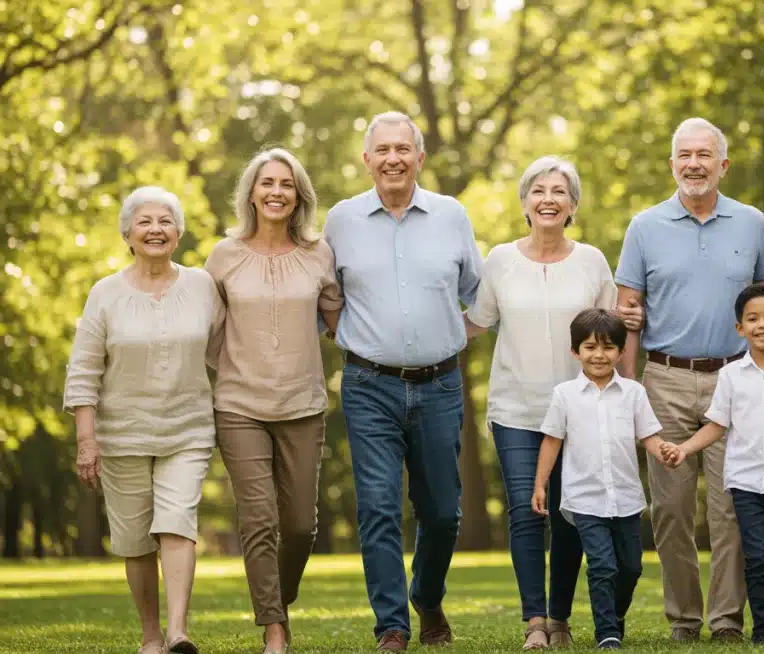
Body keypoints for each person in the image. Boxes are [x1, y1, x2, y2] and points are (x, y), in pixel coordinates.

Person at [323, 111, 485, 651]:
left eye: (403, 149)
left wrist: (448, 337)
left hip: (440, 386)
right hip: (369, 385)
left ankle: (427, 596)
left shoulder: (451, 215)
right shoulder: (341, 221)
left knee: (443, 511)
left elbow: (475, 291)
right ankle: (391, 624)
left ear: (420, 157)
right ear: (366, 159)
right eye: (382, 150)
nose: (393, 158)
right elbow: (327, 295)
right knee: (377, 505)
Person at [614, 117, 764, 643]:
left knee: (732, 507)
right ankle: (684, 620)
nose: (694, 164)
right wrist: (628, 385)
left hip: (735, 380)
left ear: (723, 164)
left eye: (705, 155)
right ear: (672, 164)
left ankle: (727, 620)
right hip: (664, 380)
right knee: (671, 510)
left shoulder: (751, 223)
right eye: (684, 155)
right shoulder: (645, 226)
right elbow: (628, 311)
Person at [465, 156, 620, 650]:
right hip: (516, 409)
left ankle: (560, 618)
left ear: (572, 204)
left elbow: (611, 331)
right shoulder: (500, 261)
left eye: (559, 191)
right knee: (524, 512)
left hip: (579, 410)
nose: (548, 198)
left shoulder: (592, 261)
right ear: (525, 203)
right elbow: (475, 324)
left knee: (570, 511)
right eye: (538, 190)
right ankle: (534, 621)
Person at [63, 186, 224, 654]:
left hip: (188, 428)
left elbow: (225, 350)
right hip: (122, 434)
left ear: (178, 232)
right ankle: (150, 636)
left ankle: (178, 633)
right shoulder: (105, 294)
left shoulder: (201, 285)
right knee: (135, 540)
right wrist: (86, 440)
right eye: (146, 222)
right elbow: (84, 370)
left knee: (177, 521)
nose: (156, 229)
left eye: (166, 221)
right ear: (127, 234)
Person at [205, 148, 343, 654]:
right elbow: (208, 329)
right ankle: (274, 629)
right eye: (267, 183)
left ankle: (278, 599)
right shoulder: (223, 256)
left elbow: (336, 319)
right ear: (251, 193)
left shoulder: (318, 253)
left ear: (298, 195)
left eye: (286, 184)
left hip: (303, 404)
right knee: (258, 518)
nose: (276, 192)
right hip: (239, 405)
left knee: (302, 526)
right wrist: (236, 368)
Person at [662, 283, 764, 645]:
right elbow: (716, 425)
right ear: (740, 329)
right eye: (752, 319)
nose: (762, 325)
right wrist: (685, 449)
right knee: (759, 559)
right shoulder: (731, 376)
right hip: (746, 482)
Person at [532, 309, 670, 650]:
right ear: (575, 351)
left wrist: (663, 450)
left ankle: (615, 614)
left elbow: (649, 435)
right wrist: (540, 485)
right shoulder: (565, 395)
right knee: (602, 565)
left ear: (621, 352)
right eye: (590, 347)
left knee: (631, 567)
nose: (599, 354)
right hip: (584, 498)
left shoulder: (633, 393)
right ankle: (607, 631)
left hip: (625, 498)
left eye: (608, 347)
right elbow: (552, 441)